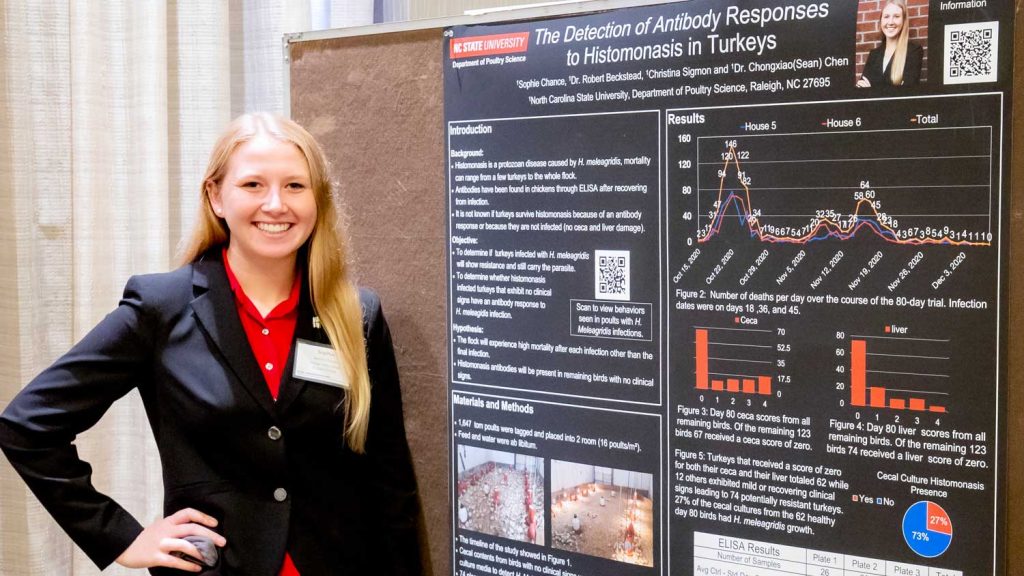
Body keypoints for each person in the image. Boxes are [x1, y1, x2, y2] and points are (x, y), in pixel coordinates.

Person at [0, 113, 422, 575]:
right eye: (254, 185)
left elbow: (389, 479)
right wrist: (122, 537)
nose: (276, 204)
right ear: (216, 196)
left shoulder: (356, 315)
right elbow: (28, 426)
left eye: (295, 186)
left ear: (318, 199)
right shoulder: (162, 307)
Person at [857, 0, 923, 88]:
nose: (890, 22)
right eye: (886, 16)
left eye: (896, 16)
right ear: (881, 21)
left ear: (904, 21)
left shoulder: (914, 51)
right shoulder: (874, 54)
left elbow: (907, 94)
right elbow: (861, 89)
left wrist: (871, 90)